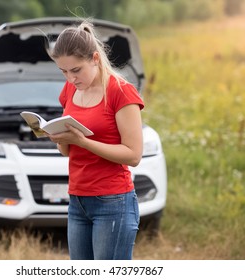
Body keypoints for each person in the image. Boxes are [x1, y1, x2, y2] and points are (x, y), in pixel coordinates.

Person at [47, 20, 144, 260]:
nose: (70, 78)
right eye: (64, 71)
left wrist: (83, 142)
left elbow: (134, 155)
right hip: (77, 200)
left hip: (113, 202)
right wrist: (59, 137)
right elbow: (67, 152)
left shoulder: (121, 92)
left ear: (94, 58)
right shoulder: (70, 90)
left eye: (76, 70)